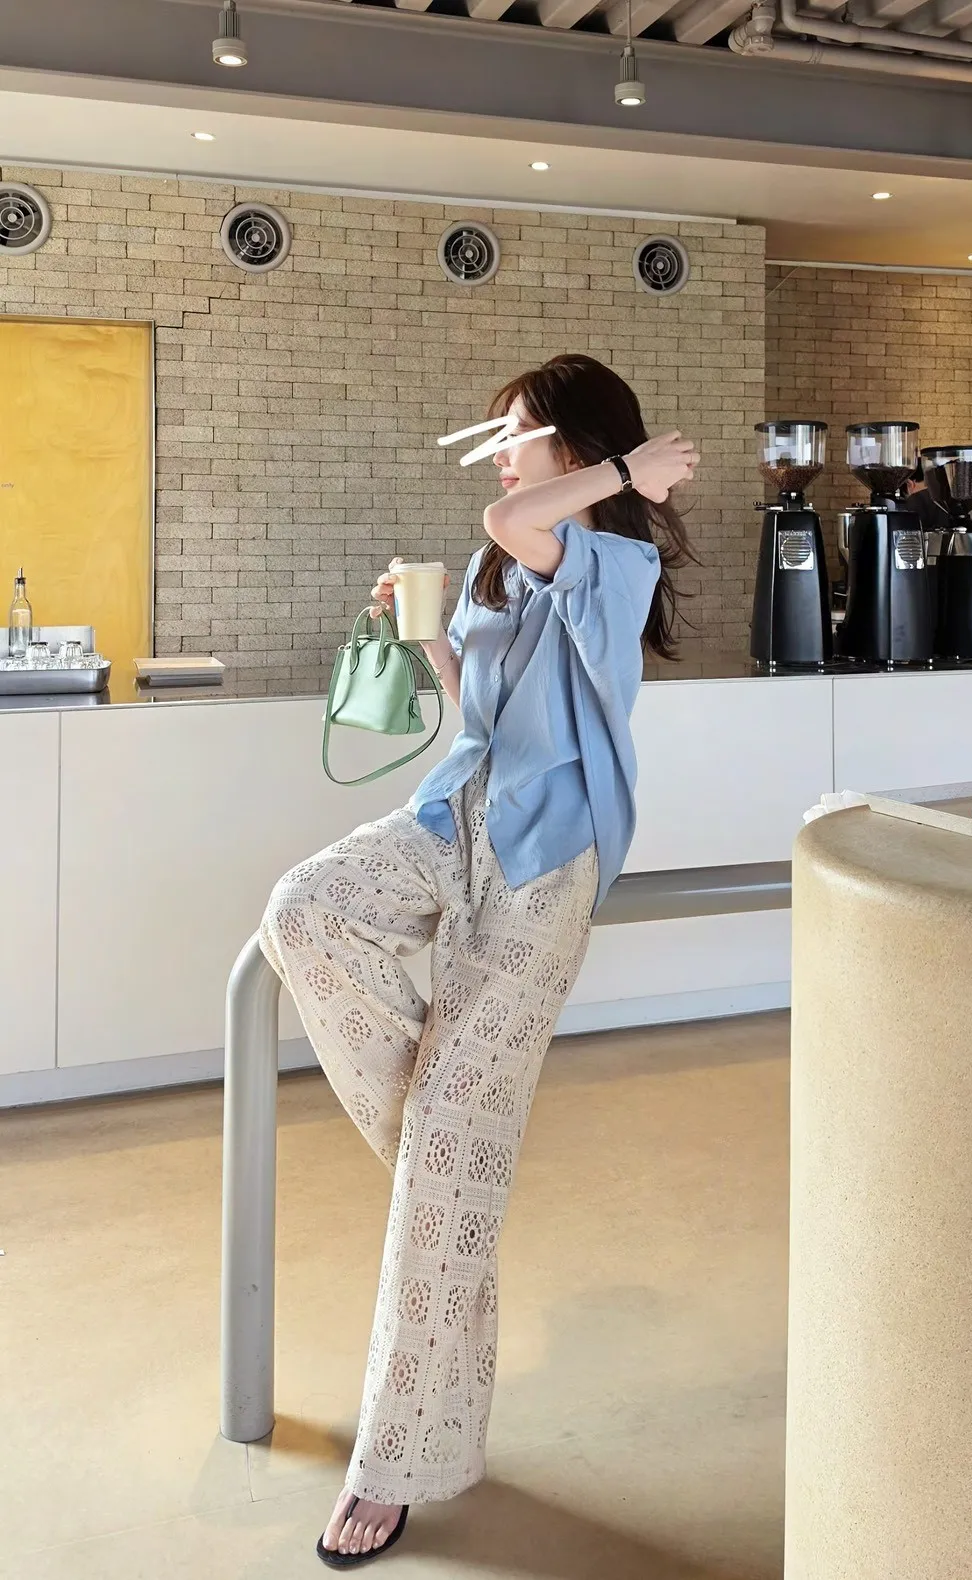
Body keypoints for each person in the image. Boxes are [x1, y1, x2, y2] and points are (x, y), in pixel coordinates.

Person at [259, 352, 698, 1568]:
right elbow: (484, 715)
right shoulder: (510, 560)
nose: (500, 451)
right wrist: (432, 645)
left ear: (579, 446)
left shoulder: (613, 559)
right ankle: (451, 1159)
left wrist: (629, 474)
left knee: (448, 1166)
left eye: (517, 431)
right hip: (453, 817)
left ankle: (400, 1461)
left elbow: (514, 518)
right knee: (304, 910)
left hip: (545, 863)